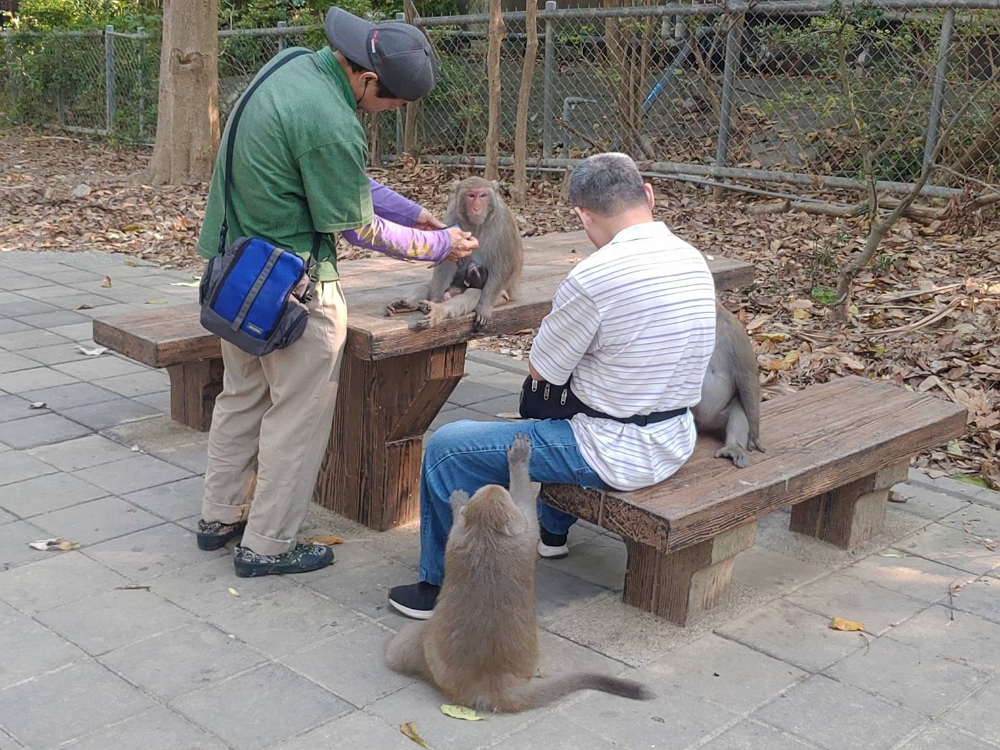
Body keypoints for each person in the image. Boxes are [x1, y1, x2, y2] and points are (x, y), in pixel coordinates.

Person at [194, 7, 478, 578]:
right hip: (294, 291)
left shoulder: (292, 67)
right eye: (392, 104)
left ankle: (219, 519)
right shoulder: (331, 120)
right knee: (296, 420)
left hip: (236, 278)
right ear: (368, 79)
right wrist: (440, 245)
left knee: (241, 399)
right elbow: (359, 225)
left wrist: (416, 212)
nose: (390, 114)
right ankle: (268, 546)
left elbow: (344, 179)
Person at [388, 152, 718, 619]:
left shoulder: (594, 277)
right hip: (675, 437)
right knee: (568, 412)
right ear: (648, 195)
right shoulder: (692, 259)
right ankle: (553, 534)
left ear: (583, 215)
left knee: (447, 446)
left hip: (614, 451)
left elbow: (543, 372)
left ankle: (438, 588)